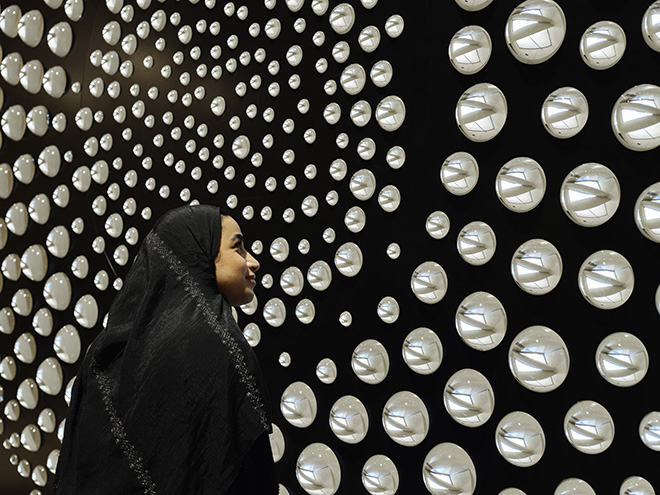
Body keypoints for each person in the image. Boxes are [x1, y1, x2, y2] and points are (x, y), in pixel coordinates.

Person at [53, 204, 278, 494]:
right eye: (238, 248)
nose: (253, 261)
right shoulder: (222, 349)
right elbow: (251, 473)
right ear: (202, 255)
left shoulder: (105, 354)